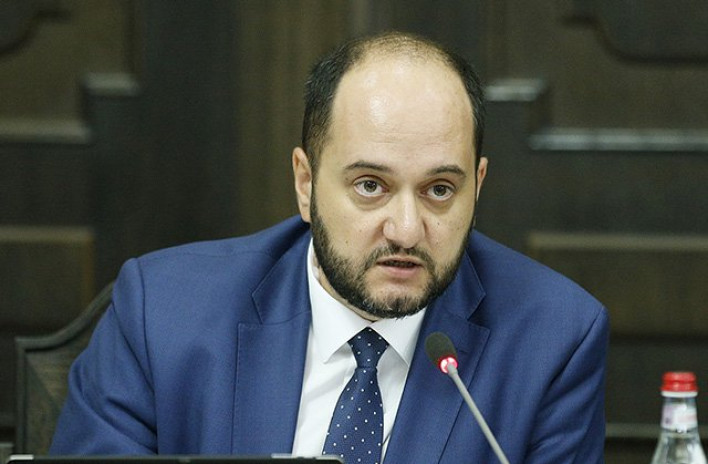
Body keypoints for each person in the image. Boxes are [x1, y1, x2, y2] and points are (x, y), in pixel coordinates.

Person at [50, 31, 608, 463]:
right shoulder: (162, 312)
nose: (406, 231)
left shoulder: (554, 340)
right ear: (305, 182)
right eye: (370, 186)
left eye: (440, 190)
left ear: (477, 187)